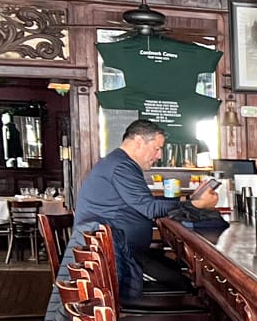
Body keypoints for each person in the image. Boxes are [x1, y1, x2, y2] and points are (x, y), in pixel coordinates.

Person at [72, 118, 216, 289]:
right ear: (139, 141)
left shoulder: (119, 163)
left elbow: (146, 202)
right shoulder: (121, 166)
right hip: (117, 261)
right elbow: (150, 208)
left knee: (181, 271)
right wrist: (195, 205)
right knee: (186, 282)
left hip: (122, 252)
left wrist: (187, 200)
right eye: (157, 148)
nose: (159, 155)